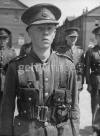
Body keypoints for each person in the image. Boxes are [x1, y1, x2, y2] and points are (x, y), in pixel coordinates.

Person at [0, 3, 79, 136]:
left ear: (55, 33)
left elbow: (74, 109)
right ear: (30, 33)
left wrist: (75, 133)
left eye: (50, 28)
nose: (46, 32)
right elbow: (7, 108)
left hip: (60, 131)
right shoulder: (16, 67)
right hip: (27, 132)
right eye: (40, 28)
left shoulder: (67, 66)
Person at [57, 27, 84, 101]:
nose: (73, 39)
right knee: (64, 99)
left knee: (76, 99)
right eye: (71, 37)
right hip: (65, 79)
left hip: (77, 79)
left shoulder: (80, 51)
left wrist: (81, 82)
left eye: (75, 37)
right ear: (66, 38)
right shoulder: (60, 51)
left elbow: (82, 69)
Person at [85, 25, 100, 136]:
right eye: (98, 36)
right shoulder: (91, 51)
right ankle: (95, 128)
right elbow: (87, 68)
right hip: (95, 79)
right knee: (95, 104)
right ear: (96, 37)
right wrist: (88, 83)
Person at [0, 28, 16, 104]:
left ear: (8, 39)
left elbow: (14, 70)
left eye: (4, 38)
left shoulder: (12, 53)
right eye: (0, 38)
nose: (2, 40)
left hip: (6, 84)